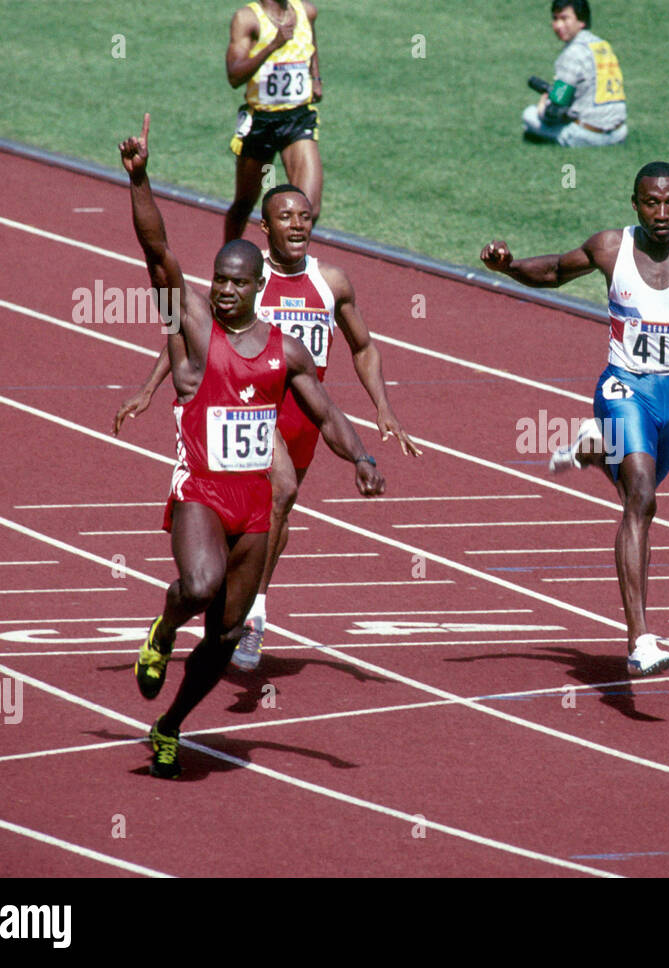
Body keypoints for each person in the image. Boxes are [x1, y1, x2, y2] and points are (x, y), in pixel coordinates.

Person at [119, 114, 385, 779]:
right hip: (201, 493)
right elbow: (157, 251)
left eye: (240, 282)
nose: (229, 288)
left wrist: (362, 458)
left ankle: (170, 724)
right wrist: (141, 179)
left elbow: (327, 414)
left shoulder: (283, 351)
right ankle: (161, 626)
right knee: (199, 586)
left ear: (255, 287)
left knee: (228, 633)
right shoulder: (197, 329)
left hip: (255, 505)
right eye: (222, 280)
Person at [480, 162, 669, 675]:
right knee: (641, 498)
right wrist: (508, 267)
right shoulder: (610, 248)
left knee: (635, 490)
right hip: (622, 388)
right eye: (651, 202)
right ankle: (640, 638)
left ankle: (595, 450)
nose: (662, 214)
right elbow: (552, 271)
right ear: (634, 203)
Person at [115, 184, 421, 672]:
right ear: (266, 226)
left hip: (305, 421)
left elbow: (363, 347)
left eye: (305, 216)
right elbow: (191, 332)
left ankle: (236, 611)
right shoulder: (246, 276)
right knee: (282, 490)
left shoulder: (332, 283)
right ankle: (254, 617)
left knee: (277, 512)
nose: (298, 224)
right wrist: (152, 386)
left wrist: (382, 409)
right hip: (261, 414)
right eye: (286, 216)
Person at [224, 0, 324, 242]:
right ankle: (228, 261)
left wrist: (316, 77)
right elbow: (234, 75)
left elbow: (311, 44)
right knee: (244, 204)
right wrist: (273, 45)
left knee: (309, 208)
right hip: (261, 122)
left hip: (297, 119)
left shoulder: (306, 12)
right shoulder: (247, 19)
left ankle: (287, 269)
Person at [522, 0, 627, 147]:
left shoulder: (572, 54)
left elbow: (554, 110)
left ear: (581, 20)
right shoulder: (603, 45)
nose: (558, 25)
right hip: (619, 132)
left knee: (529, 115)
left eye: (565, 18)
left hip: (589, 136)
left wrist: (542, 106)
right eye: (555, 18)